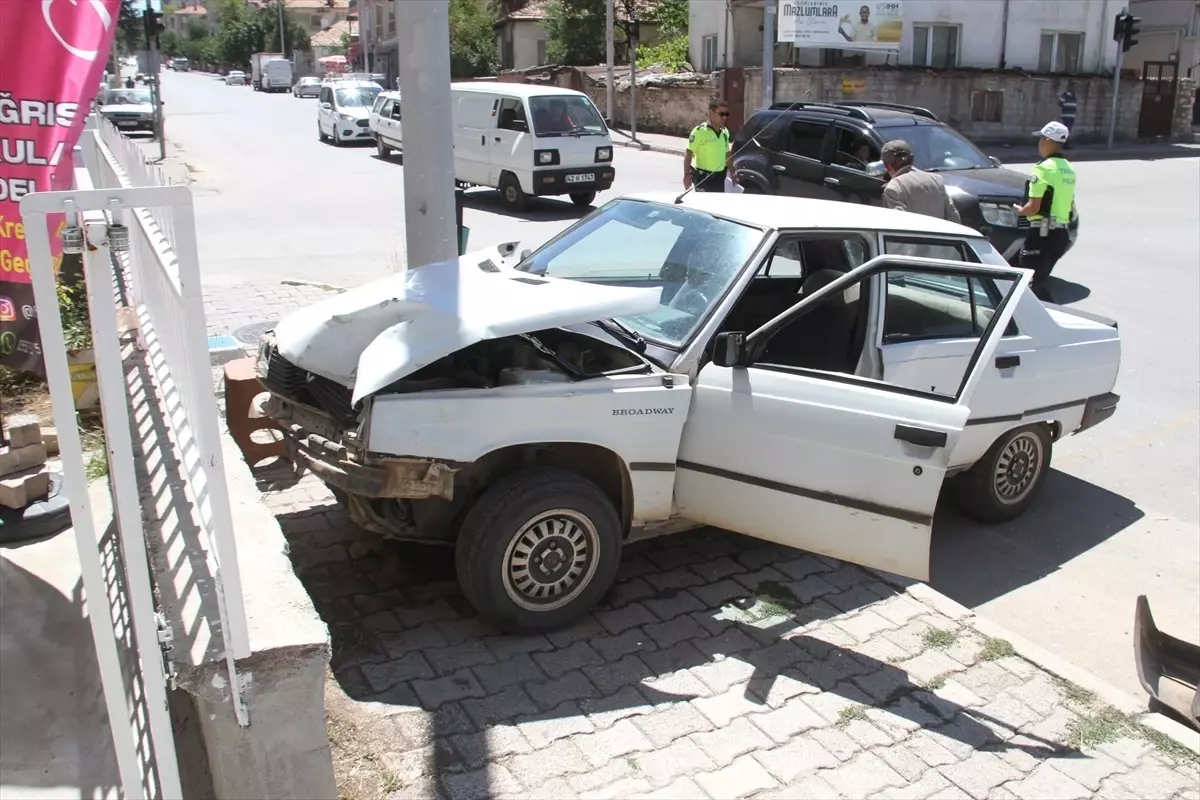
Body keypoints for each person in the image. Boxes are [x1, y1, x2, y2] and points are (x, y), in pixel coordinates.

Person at [1015, 122, 1076, 303]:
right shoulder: (1068, 168)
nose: (1039, 143)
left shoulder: (1043, 168)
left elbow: (1033, 207)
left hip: (1042, 232)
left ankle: (1043, 322)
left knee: (1029, 283)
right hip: (1060, 234)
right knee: (1039, 281)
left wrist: (1021, 211)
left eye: (1041, 139)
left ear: (1048, 141)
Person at [879, 140, 961, 222]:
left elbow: (898, 224)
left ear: (887, 166)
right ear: (912, 159)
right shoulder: (936, 180)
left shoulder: (893, 188)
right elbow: (953, 216)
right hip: (941, 234)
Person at [684, 101, 737, 193]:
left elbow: (727, 154)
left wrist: (732, 172)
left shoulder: (725, 132)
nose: (724, 117)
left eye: (726, 114)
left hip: (719, 179)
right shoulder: (700, 131)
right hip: (704, 180)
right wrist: (686, 174)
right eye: (721, 114)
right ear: (711, 113)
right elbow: (689, 154)